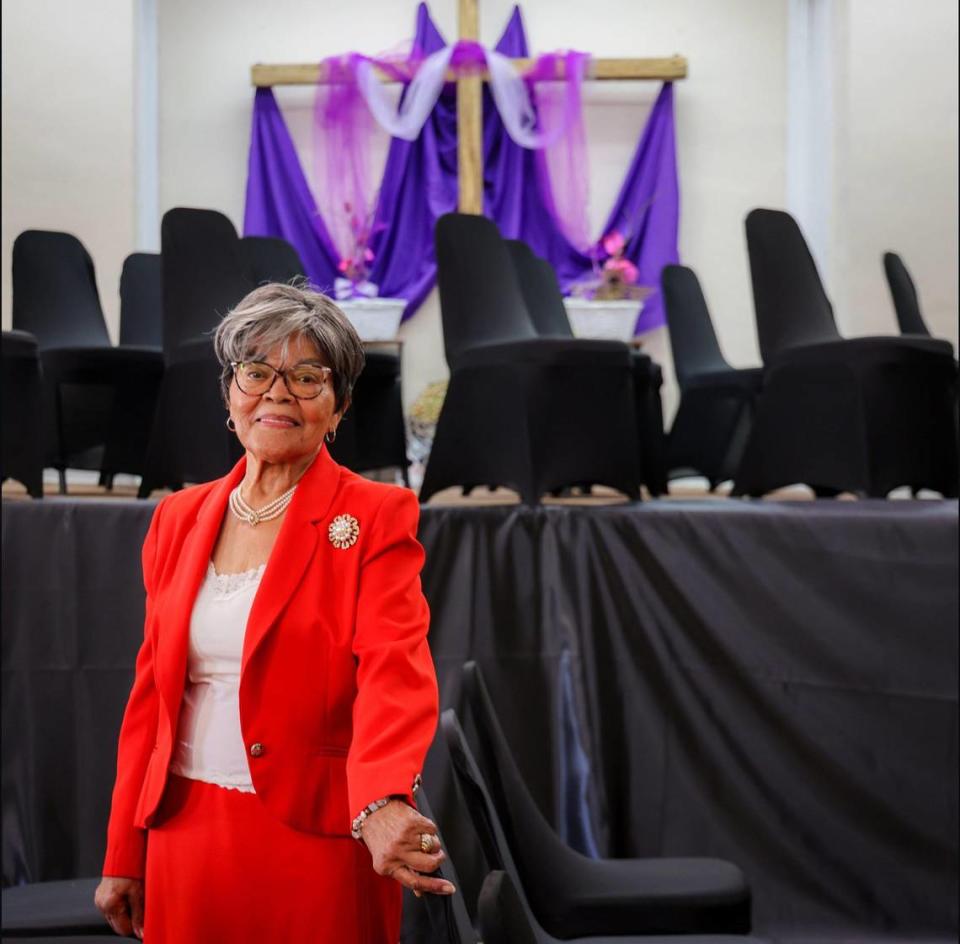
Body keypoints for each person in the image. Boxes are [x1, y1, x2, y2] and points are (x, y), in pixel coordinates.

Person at [94, 283, 453, 942]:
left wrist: (380, 798)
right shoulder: (177, 518)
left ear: (340, 405)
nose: (278, 393)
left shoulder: (375, 514)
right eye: (257, 372)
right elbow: (150, 695)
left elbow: (393, 668)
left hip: (317, 831)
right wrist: (124, 849)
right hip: (184, 832)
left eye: (307, 376)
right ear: (231, 393)